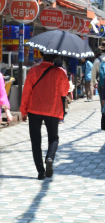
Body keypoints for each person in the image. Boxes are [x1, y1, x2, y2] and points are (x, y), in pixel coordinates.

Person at [21, 52, 70, 180]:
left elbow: (26, 91)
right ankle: (49, 157)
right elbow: (64, 92)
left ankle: (40, 172)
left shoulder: (33, 70)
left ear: (42, 55)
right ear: (55, 57)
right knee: (53, 138)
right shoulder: (60, 72)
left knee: (35, 141)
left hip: (34, 109)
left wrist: (23, 111)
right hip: (53, 109)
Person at [92, 43, 105, 130]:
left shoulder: (97, 61)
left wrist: (94, 83)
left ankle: (104, 122)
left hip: (102, 85)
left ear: (101, 50)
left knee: (103, 104)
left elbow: (93, 74)